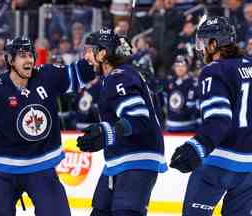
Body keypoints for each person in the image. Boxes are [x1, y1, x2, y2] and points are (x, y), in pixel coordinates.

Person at [0, 37, 94, 216]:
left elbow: (82, 73)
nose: (29, 60)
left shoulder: (46, 75)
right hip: (5, 169)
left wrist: (97, 56)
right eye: (22, 56)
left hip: (42, 168)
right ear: (10, 60)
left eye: (31, 55)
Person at [77, 28, 167, 216]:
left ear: (102, 54)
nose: (87, 55)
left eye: (90, 50)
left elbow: (138, 118)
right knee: (100, 211)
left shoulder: (119, 76)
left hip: (136, 158)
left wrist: (106, 133)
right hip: (121, 158)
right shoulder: (119, 75)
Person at [170, 16, 252, 216]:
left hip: (218, 163)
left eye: (203, 42)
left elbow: (219, 119)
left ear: (214, 43)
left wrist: (196, 147)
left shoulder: (214, 70)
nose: (200, 48)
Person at [163, 55, 200, 132]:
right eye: (177, 66)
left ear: (187, 67)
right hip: (171, 125)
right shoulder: (170, 82)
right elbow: (165, 103)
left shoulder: (194, 83)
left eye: (182, 66)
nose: (180, 68)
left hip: (189, 126)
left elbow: (197, 105)